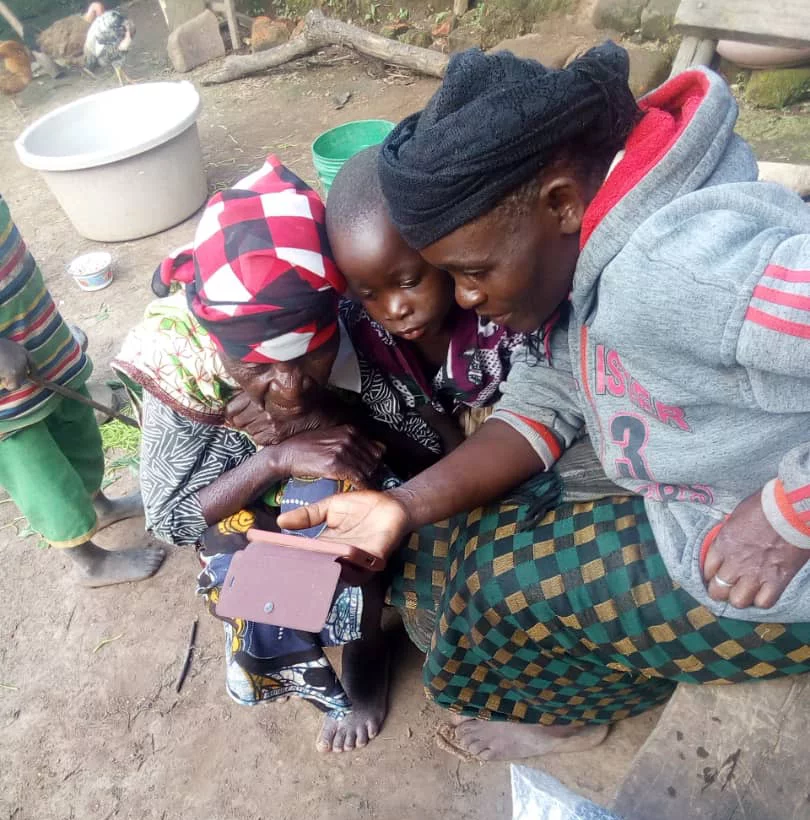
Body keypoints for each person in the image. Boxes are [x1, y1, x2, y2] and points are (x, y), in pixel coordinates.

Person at [278, 44, 810, 761]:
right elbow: (554, 390)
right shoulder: (598, 247)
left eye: (471, 271)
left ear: (560, 202)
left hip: (762, 554)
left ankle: (571, 717)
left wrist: (788, 513)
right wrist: (401, 505)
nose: (466, 300)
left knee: (501, 593)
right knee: (442, 550)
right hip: (701, 486)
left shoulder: (679, 273)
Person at [113, 156, 448, 753]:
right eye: (258, 367)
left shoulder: (350, 311)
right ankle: (285, 640)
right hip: (236, 491)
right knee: (261, 563)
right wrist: (274, 458)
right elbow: (171, 519)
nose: (289, 386)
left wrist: (330, 419)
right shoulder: (180, 359)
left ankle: (364, 648)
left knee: (346, 523)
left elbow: (429, 446)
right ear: (221, 348)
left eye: (310, 356)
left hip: (346, 463)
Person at [0, 193, 164, 586]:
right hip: (9, 402)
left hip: (40, 336)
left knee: (77, 432)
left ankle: (100, 505)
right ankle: (90, 562)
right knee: (41, 475)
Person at [326, 147, 526, 450]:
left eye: (409, 282)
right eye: (369, 294)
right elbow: (427, 410)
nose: (395, 309)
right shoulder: (370, 332)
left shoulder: (497, 311)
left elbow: (535, 408)